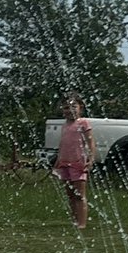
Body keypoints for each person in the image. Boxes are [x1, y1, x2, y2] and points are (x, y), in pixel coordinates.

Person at [52, 93, 96, 229]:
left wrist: (91, 157)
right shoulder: (65, 125)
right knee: (70, 195)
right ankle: (75, 220)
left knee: (79, 195)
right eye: (66, 107)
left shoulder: (83, 123)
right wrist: (58, 161)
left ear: (80, 108)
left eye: (73, 106)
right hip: (64, 163)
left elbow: (90, 141)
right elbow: (63, 144)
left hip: (78, 163)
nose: (69, 110)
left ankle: (82, 223)